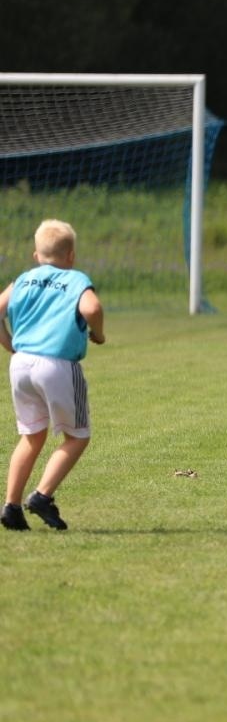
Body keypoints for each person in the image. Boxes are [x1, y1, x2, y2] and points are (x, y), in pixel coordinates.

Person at [0, 220, 105, 531]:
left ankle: (11, 506)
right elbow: (92, 307)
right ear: (71, 256)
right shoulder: (74, 279)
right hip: (57, 365)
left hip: (21, 365)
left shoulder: (23, 280)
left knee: (31, 436)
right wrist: (98, 333)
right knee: (77, 436)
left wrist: (11, 345)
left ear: (36, 255)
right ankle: (42, 496)